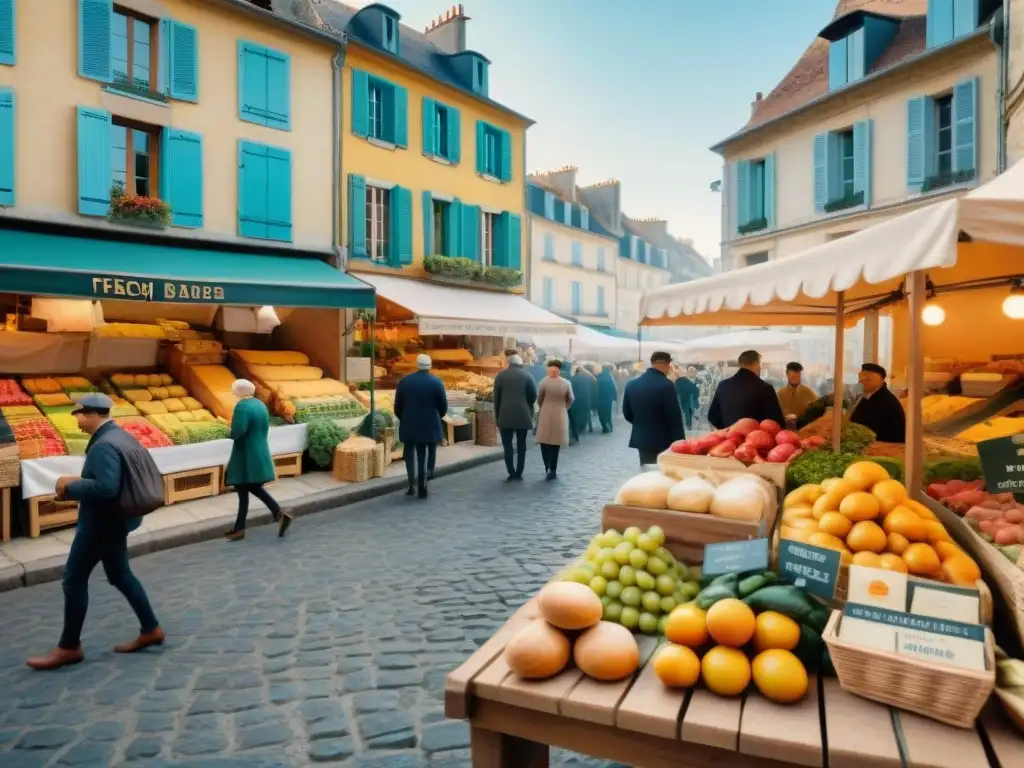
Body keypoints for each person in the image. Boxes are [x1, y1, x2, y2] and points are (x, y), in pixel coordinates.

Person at [27, 394, 163, 670]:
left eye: (77, 413)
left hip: (101, 523)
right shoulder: (119, 436)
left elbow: (105, 488)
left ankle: (69, 647)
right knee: (120, 575)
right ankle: (151, 629)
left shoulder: (103, 445)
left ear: (91, 414)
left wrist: (69, 487)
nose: (75, 419)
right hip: (117, 521)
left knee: (73, 579)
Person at [224, 379, 291, 542]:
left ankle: (277, 514)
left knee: (246, 486)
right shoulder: (260, 405)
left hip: (245, 452)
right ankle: (240, 528)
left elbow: (239, 430)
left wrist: (227, 432)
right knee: (246, 487)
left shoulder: (242, 407)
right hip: (259, 449)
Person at [394, 354, 448, 498]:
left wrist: (404, 417)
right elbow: (443, 406)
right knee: (426, 451)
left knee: (410, 454)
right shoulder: (436, 382)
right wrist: (437, 416)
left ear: (416, 365)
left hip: (409, 423)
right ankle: (425, 478)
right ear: (430, 366)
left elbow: (397, 406)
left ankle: (412, 484)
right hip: (430, 424)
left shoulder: (404, 382)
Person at [622, 351, 686, 466]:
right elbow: (674, 417)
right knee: (664, 474)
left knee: (647, 472)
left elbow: (627, 413)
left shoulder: (631, 384)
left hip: (642, 438)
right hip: (664, 440)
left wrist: (642, 423)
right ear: (667, 364)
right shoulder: (666, 385)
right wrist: (680, 441)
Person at [708, 349, 785, 429]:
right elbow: (777, 423)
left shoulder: (723, 385)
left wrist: (729, 430)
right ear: (755, 363)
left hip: (729, 439)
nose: (760, 368)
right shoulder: (765, 388)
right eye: (759, 364)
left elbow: (712, 416)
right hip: (755, 439)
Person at [492, 354, 537, 480]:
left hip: (504, 415)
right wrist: (526, 405)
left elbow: (496, 399)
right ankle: (519, 471)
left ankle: (511, 471)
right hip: (522, 415)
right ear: (521, 364)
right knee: (521, 444)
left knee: (507, 445)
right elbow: (533, 396)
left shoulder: (500, 376)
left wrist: (497, 416)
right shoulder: (528, 376)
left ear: (509, 364)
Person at [850, 363, 907, 443]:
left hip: (886, 443)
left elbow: (865, 426)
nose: (860, 382)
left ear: (880, 380)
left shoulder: (885, 400)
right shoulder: (869, 395)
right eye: (860, 379)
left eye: (865, 380)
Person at [536, 359, 574, 480]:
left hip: (546, 413)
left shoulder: (544, 382)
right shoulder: (566, 383)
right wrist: (565, 407)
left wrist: (543, 406)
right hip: (560, 413)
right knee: (555, 444)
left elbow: (539, 398)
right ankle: (553, 469)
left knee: (544, 441)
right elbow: (571, 398)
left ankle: (546, 465)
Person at [570, 366, 594, 438]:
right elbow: (594, 390)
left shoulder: (573, 379)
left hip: (577, 400)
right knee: (586, 413)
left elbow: (572, 389)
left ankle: (579, 428)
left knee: (577, 414)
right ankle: (587, 426)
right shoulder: (591, 378)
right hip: (587, 399)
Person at [675, 365, 700, 431]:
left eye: (693, 371)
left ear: (695, 372)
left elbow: (697, 392)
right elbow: (678, 390)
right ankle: (689, 425)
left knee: (691, 412)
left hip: (693, 400)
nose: (691, 373)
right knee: (687, 413)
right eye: (690, 371)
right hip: (685, 400)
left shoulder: (698, 380)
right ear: (687, 372)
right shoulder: (681, 380)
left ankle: (690, 422)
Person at [596, 363, 618, 433]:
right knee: (608, 413)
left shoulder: (598, 376)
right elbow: (613, 387)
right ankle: (610, 426)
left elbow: (595, 387)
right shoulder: (610, 377)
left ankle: (604, 427)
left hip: (599, 397)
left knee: (601, 413)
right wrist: (615, 397)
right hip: (608, 398)